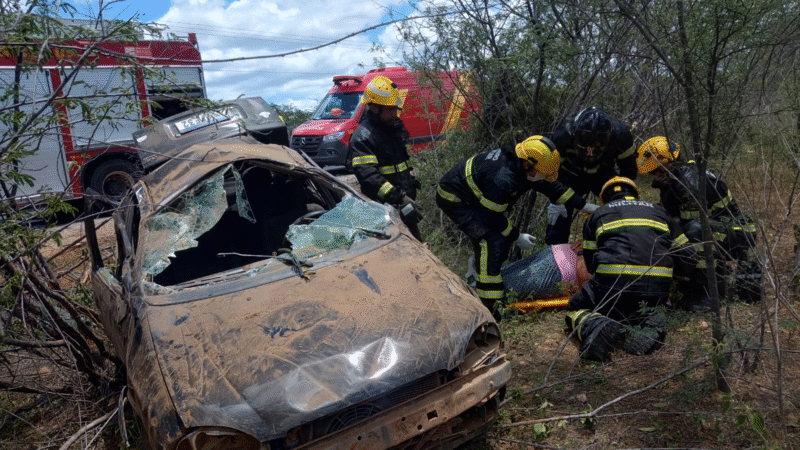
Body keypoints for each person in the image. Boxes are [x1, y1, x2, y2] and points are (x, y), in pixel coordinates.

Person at [436, 135, 593, 319]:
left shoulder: (526, 165)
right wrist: (517, 236)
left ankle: (482, 274)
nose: (542, 177)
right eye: (541, 173)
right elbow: (491, 218)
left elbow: (553, 187)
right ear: (528, 165)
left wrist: (587, 207)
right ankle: (490, 308)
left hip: (476, 198)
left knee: (501, 242)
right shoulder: (504, 179)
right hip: (455, 198)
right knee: (490, 241)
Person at [565, 176, 698, 361]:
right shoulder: (660, 212)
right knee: (647, 307)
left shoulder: (597, 215)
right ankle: (648, 320)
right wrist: (677, 276)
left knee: (575, 307)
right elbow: (687, 256)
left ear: (605, 197)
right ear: (636, 195)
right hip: (655, 290)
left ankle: (594, 325)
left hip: (611, 290)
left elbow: (590, 264)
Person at [636, 136, 760, 311]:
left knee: (695, 231)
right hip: (716, 232)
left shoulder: (693, 182)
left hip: (739, 233)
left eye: (655, 170)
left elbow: (690, 229)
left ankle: (712, 292)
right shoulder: (670, 186)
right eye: (651, 172)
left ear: (668, 164)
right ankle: (694, 284)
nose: (653, 176)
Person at [347, 75, 423, 241]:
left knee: (418, 248)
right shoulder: (363, 137)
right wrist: (400, 198)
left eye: (396, 108)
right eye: (390, 109)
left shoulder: (392, 128)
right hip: (383, 211)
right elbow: (369, 178)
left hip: (403, 203)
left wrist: (409, 184)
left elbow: (400, 164)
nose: (395, 113)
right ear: (374, 108)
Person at [546, 106, 636, 245]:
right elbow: (550, 176)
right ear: (574, 133)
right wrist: (557, 197)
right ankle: (557, 255)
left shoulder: (621, 135)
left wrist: (622, 197)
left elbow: (628, 170)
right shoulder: (561, 136)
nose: (590, 153)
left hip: (603, 175)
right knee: (559, 217)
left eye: (598, 145)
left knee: (622, 203)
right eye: (585, 144)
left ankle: (623, 244)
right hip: (571, 175)